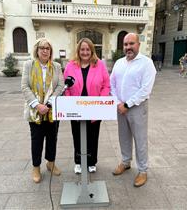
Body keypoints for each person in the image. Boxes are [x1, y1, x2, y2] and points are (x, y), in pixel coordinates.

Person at [110, 33, 156, 187]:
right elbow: (112, 85)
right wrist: (118, 103)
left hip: (137, 107)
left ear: (138, 45)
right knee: (123, 136)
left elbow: (145, 90)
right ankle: (125, 161)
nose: (128, 47)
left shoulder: (146, 63)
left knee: (140, 139)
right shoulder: (119, 63)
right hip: (120, 107)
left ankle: (142, 170)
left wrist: (127, 104)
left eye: (131, 44)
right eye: (125, 44)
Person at [64, 38, 110, 174]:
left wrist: (101, 102)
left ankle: (91, 162)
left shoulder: (99, 65)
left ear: (92, 50)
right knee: (77, 135)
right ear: (78, 50)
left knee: (93, 135)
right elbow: (65, 85)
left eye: (87, 49)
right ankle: (78, 161)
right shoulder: (71, 65)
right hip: (75, 108)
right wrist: (69, 102)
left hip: (94, 107)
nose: (85, 52)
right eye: (82, 49)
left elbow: (106, 85)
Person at [21, 38, 64, 183]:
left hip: (52, 111)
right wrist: (37, 105)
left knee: (52, 138)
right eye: (42, 48)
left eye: (48, 48)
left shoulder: (57, 66)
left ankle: (51, 163)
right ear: (37, 50)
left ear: (50, 51)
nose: (45, 50)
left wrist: (49, 103)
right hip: (35, 111)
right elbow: (25, 86)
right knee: (37, 140)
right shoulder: (29, 65)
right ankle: (36, 167)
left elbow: (60, 86)